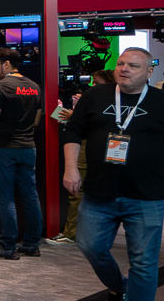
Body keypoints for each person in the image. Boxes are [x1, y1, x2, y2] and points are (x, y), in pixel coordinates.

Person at [63, 47, 164, 301]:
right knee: (90, 245)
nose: (124, 69)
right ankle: (117, 287)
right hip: (99, 191)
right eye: (121, 63)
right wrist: (71, 169)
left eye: (133, 66)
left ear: (149, 72)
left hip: (146, 196)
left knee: (144, 263)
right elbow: (72, 132)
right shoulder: (96, 96)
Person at [0, 47, 44, 260]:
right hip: (28, 147)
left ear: (6, 64)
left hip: (4, 149)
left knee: (5, 198)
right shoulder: (34, 87)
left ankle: (7, 246)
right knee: (30, 196)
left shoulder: (0, 88)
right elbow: (36, 120)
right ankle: (31, 244)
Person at [47, 68, 114, 245]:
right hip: (95, 148)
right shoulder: (98, 100)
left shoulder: (107, 102)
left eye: (96, 82)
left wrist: (74, 116)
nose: (92, 86)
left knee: (78, 192)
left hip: (90, 148)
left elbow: (95, 125)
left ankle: (71, 233)